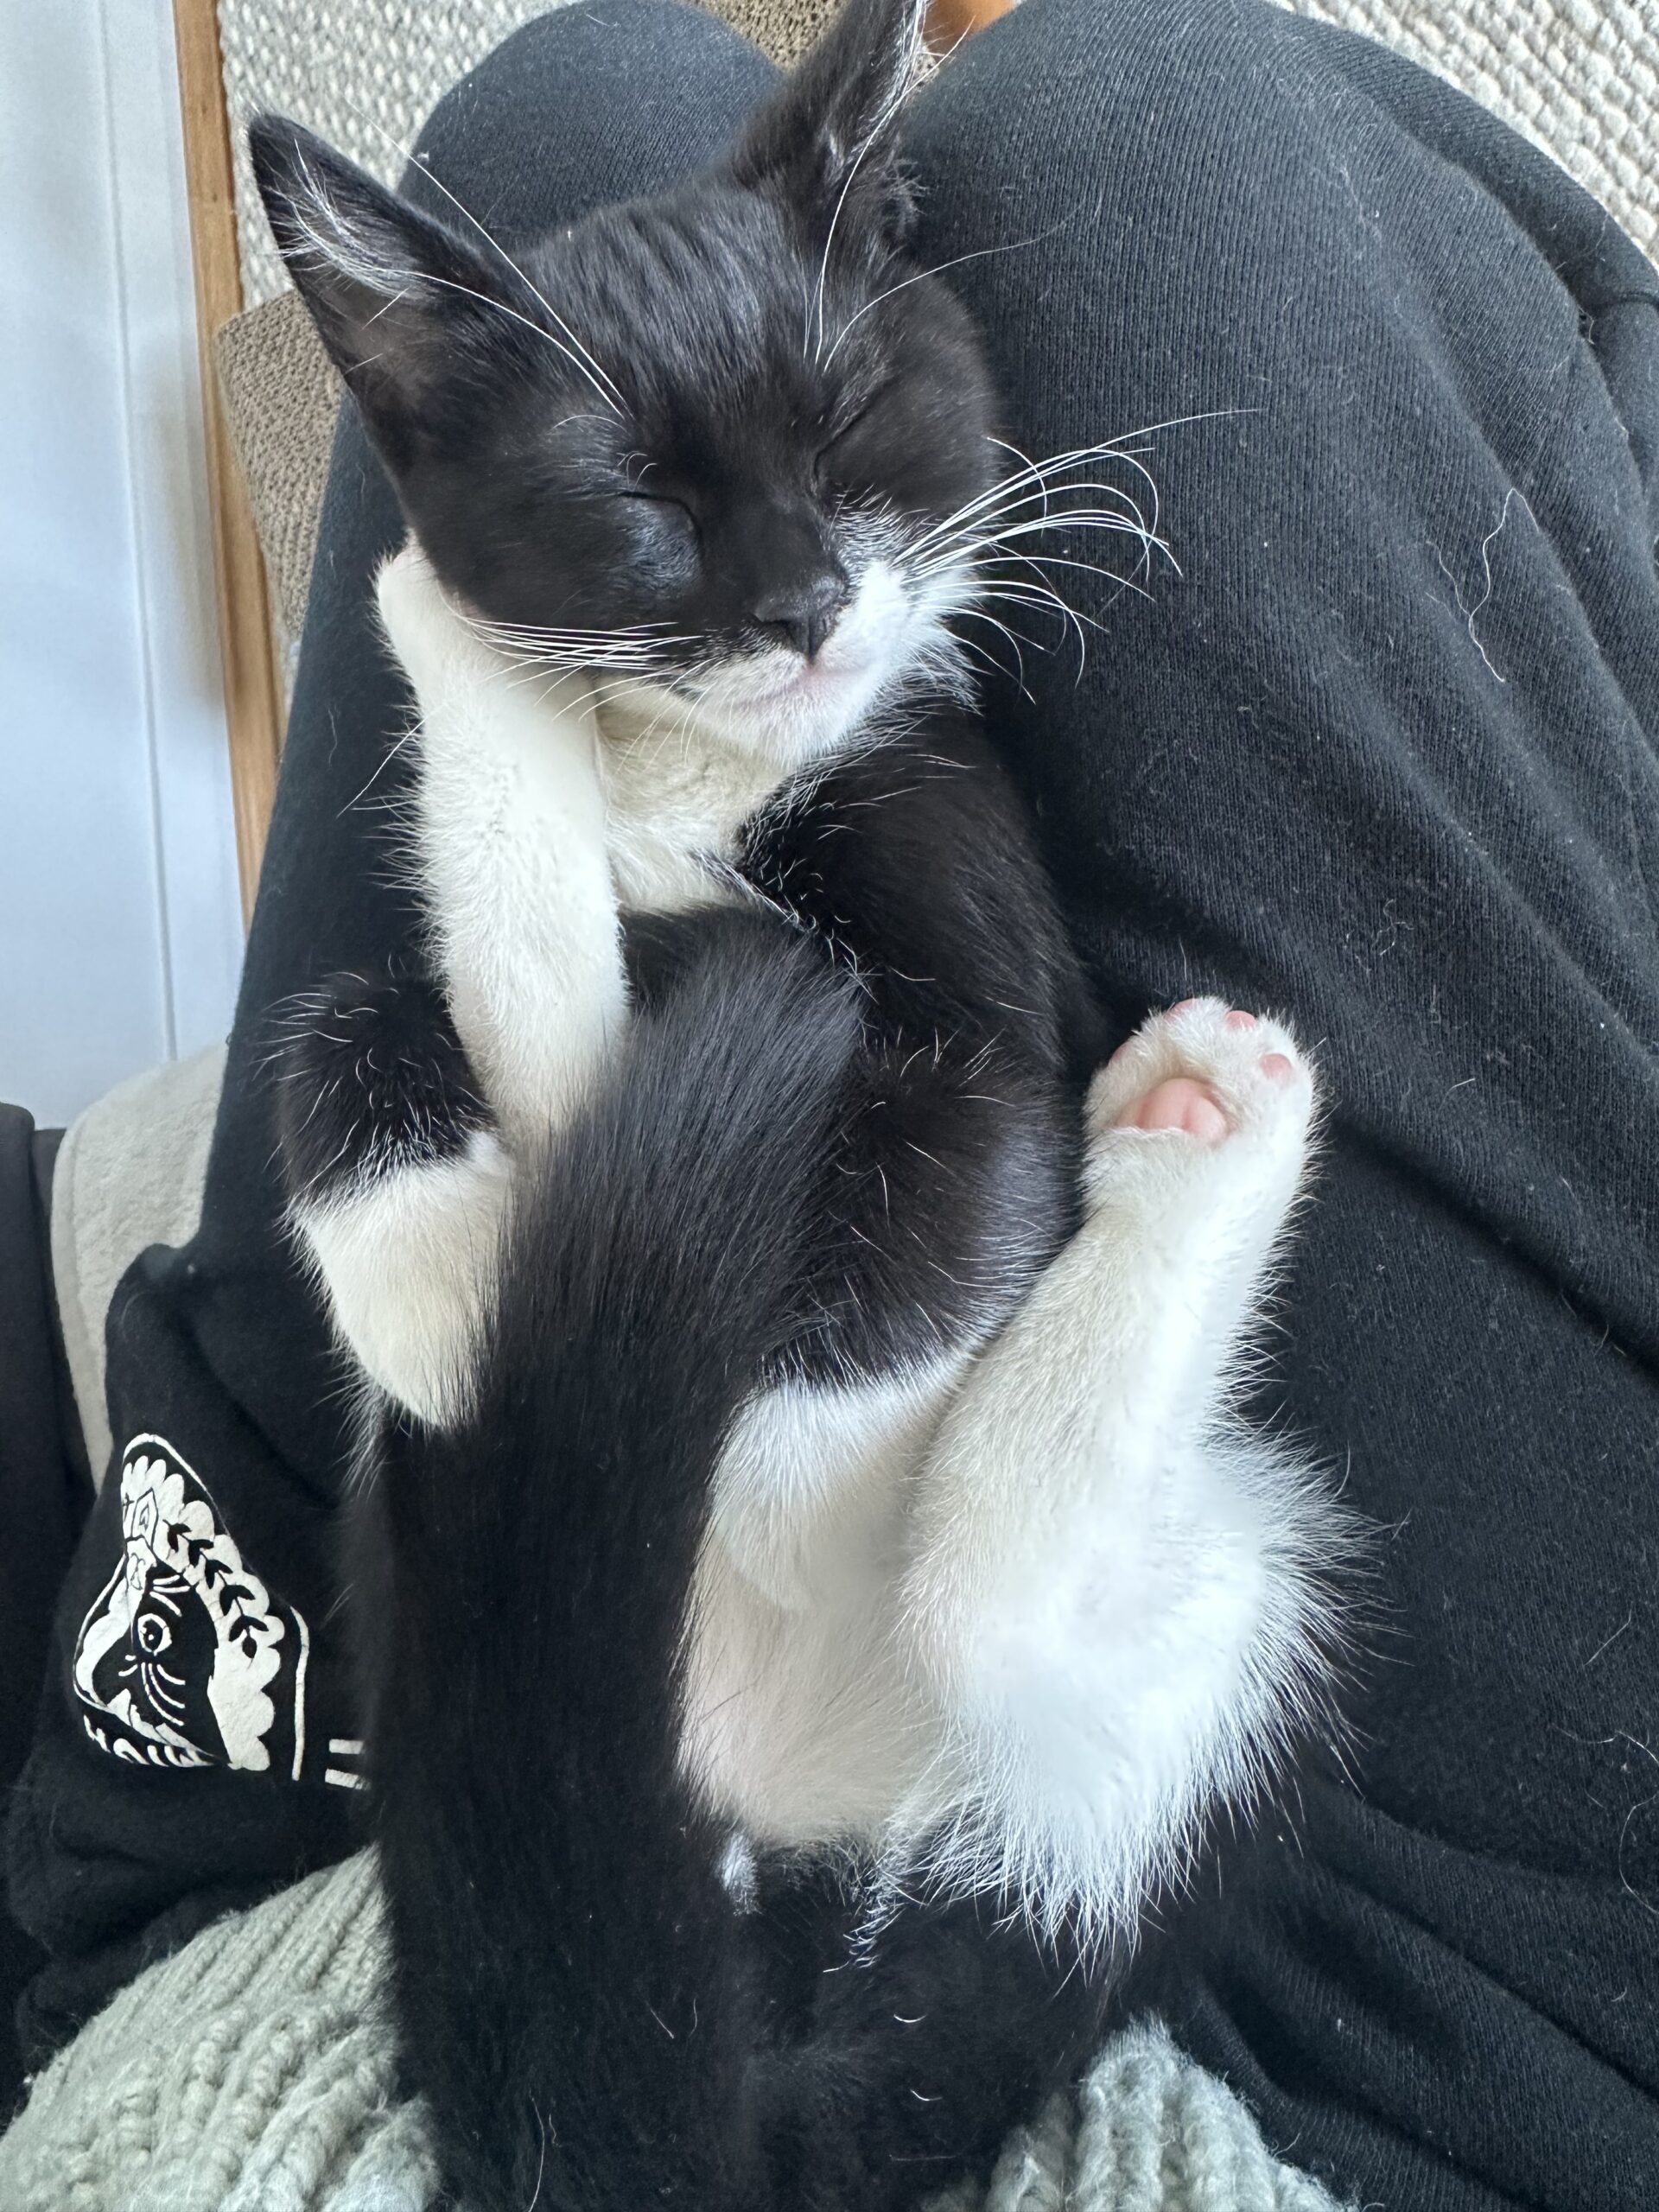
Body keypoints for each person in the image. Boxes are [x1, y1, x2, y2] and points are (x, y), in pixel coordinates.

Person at [6, 0, 1656, 2202]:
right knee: (1159, 132)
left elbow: (545, 1167)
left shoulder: (817, 745)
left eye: (849, 440)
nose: (802, 609)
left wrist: (430, 1121)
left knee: (578, 111)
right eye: (661, 518)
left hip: (424, 1803)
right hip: (1288, 2020)